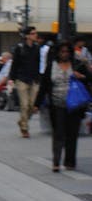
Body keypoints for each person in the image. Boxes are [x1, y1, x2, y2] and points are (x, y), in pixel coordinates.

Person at [35, 40, 92, 171]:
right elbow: (44, 86)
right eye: (62, 51)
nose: (64, 54)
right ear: (57, 53)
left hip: (75, 105)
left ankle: (70, 162)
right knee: (58, 133)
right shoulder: (51, 66)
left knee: (72, 134)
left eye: (67, 51)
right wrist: (37, 104)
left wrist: (81, 76)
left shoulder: (77, 64)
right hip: (57, 104)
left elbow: (90, 78)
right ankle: (56, 161)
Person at [9, 26, 41, 137]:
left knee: (32, 105)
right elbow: (15, 64)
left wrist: (39, 78)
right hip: (22, 78)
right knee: (25, 104)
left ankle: (22, 121)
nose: (35, 35)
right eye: (33, 33)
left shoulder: (37, 48)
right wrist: (12, 79)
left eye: (36, 33)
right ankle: (24, 128)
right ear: (27, 36)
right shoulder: (20, 47)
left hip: (34, 79)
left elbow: (38, 64)